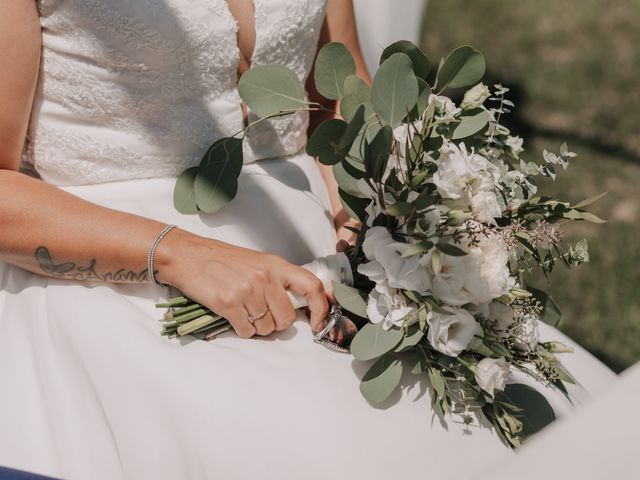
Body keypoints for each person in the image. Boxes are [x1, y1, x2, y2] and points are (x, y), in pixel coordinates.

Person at [0, 1, 616, 479]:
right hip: (113, 263)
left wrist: (376, 208)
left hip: (324, 245)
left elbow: (336, 94)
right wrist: (182, 254)